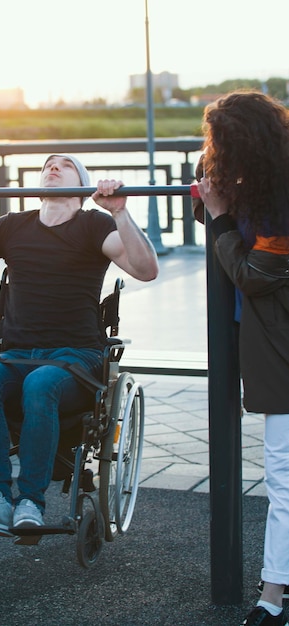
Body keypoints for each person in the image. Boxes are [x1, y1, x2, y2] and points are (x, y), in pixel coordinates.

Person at [0, 153, 158, 541]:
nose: (53, 167)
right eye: (48, 165)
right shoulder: (12, 226)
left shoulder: (94, 224)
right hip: (17, 352)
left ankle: (31, 503)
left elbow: (145, 269)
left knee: (41, 384)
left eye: (65, 165)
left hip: (76, 357)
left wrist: (121, 213)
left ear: (82, 186)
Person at [196, 91, 289, 626]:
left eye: (222, 144)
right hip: (262, 343)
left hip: (278, 348)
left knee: (280, 475)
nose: (216, 154)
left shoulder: (279, 199)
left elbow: (255, 277)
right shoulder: (247, 184)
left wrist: (222, 219)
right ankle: (275, 592)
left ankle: (272, 596)